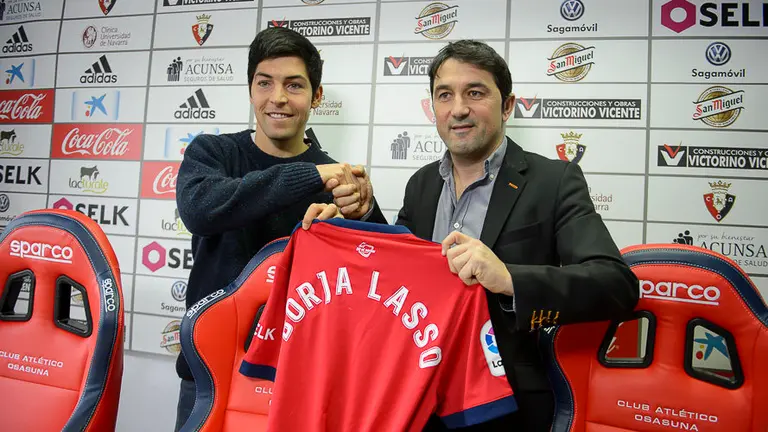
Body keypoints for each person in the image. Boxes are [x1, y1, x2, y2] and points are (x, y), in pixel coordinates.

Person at [304, 40, 639, 431]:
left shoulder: (554, 181)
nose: (458, 108)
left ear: (507, 106)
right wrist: (359, 219)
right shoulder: (421, 184)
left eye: (475, 93)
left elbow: (616, 285)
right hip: (414, 398)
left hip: (507, 406)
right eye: (445, 95)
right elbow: (398, 275)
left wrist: (509, 279)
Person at [173, 27, 386, 431]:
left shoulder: (338, 180)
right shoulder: (214, 152)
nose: (278, 98)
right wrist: (310, 176)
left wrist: (364, 212)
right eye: (265, 83)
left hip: (298, 378)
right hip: (208, 371)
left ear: (316, 96)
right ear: (250, 90)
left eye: (294, 85)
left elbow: (378, 278)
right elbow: (199, 210)